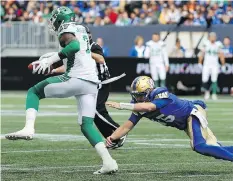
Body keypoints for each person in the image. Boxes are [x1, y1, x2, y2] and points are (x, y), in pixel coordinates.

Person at [5, 6, 118, 175]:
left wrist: (50, 59)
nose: (53, 23)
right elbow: (74, 53)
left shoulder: (66, 29)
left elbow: (72, 47)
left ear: (61, 19)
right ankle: (109, 162)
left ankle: (29, 128)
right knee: (86, 125)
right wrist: (50, 62)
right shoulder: (80, 29)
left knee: (33, 92)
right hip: (91, 83)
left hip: (76, 79)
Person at [105, 76, 233, 162]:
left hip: (192, 113)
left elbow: (151, 107)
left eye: (141, 95)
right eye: (136, 96)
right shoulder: (139, 105)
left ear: (150, 91)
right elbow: (126, 126)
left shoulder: (159, 92)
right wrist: (111, 138)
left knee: (199, 146)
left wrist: (122, 105)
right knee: (213, 146)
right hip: (185, 122)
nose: (138, 98)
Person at [51, 25, 126, 149]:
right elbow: (69, 68)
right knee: (92, 113)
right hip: (92, 83)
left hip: (102, 82)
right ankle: (113, 137)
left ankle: (119, 130)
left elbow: (101, 59)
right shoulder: (77, 50)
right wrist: (53, 71)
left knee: (98, 109)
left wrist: (85, 52)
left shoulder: (93, 46)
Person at [198, 32, 225, 100]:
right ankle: (207, 92)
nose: (213, 38)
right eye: (211, 36)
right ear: (209, 37)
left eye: (214, 36)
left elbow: (221, 55)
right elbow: (202, 54)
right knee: (204, 79)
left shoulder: (218, 44)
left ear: (215, 37)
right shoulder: (206, 43)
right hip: (206, 64)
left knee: (214, 79)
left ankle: (214, 93)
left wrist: (223, 64)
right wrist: (199, 62)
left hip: (215, 65)